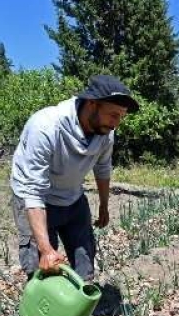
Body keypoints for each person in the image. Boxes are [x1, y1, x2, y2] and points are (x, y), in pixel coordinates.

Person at [10, 74, 139, 283]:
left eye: (121, 117)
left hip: (72, 197)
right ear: (92, 104)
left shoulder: (105, 132)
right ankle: (43, 311)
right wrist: (45, 249)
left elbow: (103, 167)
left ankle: (78, 308)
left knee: (85, 262)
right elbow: (32, 190)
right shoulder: (46, 126)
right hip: (36, 199)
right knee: (42, 268)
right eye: (113, 115)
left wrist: (104, 205)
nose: (117, 124)